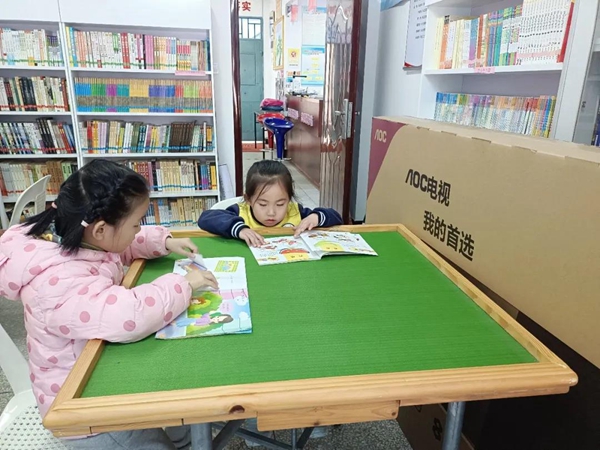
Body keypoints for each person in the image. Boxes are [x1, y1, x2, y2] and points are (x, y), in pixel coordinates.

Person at [0, 160, 218, 450]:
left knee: (179, 404)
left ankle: (185, 438)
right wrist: (184, 284)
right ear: (101, 229)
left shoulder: (76, 234)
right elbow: (131, 315)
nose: (138, 229)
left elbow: (120, 244)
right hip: (83, 413)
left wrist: (163, 241)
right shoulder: (59, 281)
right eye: (136, 223)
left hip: (102, 372)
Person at [198, 160, 342, 246]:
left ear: (289, 199)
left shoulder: (295, 212)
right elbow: (206, 218)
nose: (271, 212)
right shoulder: (240, 212)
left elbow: (336, 217)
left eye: (280, 204)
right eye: (262, 204)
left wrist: (315, 217)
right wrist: (239, 229)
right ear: (248, 199)